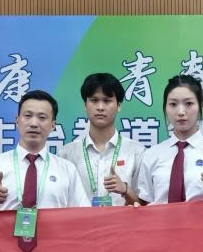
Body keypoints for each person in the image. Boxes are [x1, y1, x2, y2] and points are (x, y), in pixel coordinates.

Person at [0, 90, 87, 215]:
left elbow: (83, 215)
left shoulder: (67, 170)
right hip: (4, 229)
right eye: (28, 116)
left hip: (54, 229)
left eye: (42, 117)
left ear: (52, 125)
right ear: (17, 120)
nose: (34, 123)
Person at [137, 74, 203, 204]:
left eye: (189, 103)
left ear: (200, 105)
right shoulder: (152, 155)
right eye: (173, 104)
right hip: (161, 218)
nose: (181, 112)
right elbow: (145, 203)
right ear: (165, 107)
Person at [58, 72, 145, 207]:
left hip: (123, 221)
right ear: (85, 105)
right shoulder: (66, 154)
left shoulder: (136, 152)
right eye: (94, 100)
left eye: (107, 101)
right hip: (80, 221)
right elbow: (60, 202)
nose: (100, 107)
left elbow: (144, 205)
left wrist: (125, 189)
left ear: (119, 105)